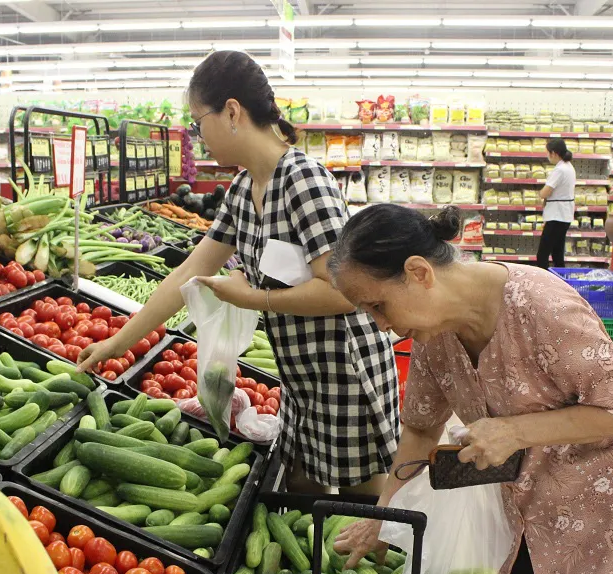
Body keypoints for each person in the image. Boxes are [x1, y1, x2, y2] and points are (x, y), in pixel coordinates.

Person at [328, 204, 613, 574]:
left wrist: (516, 431)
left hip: (598, 522)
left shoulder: (540, 305)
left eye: (378, 306)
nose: (380, 324)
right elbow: (422, 430)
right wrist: (385, 514)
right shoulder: (433, 333)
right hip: (518, 520)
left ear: (419, 273)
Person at [76, 51, 399, 495]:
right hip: (301, 376)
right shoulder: (244, 190)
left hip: (345, 375)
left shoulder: (303, 181)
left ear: (231, 112)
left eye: (197, 121)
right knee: (306, 497)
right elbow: (190, 272)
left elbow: (345, 292)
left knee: (362, 512)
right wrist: (117, 342)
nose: (196, 134)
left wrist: (251, 299)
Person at [536, 139, 576, 269]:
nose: (547, 156)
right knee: (557, 254)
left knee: (542, 254)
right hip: (564, 215)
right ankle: (561, 280)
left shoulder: (559, 170)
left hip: (556, 215)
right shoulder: (569, 166)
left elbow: (546, 192)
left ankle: (543, 282)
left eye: (548, 153)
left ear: (553, 153)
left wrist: (540, 194)